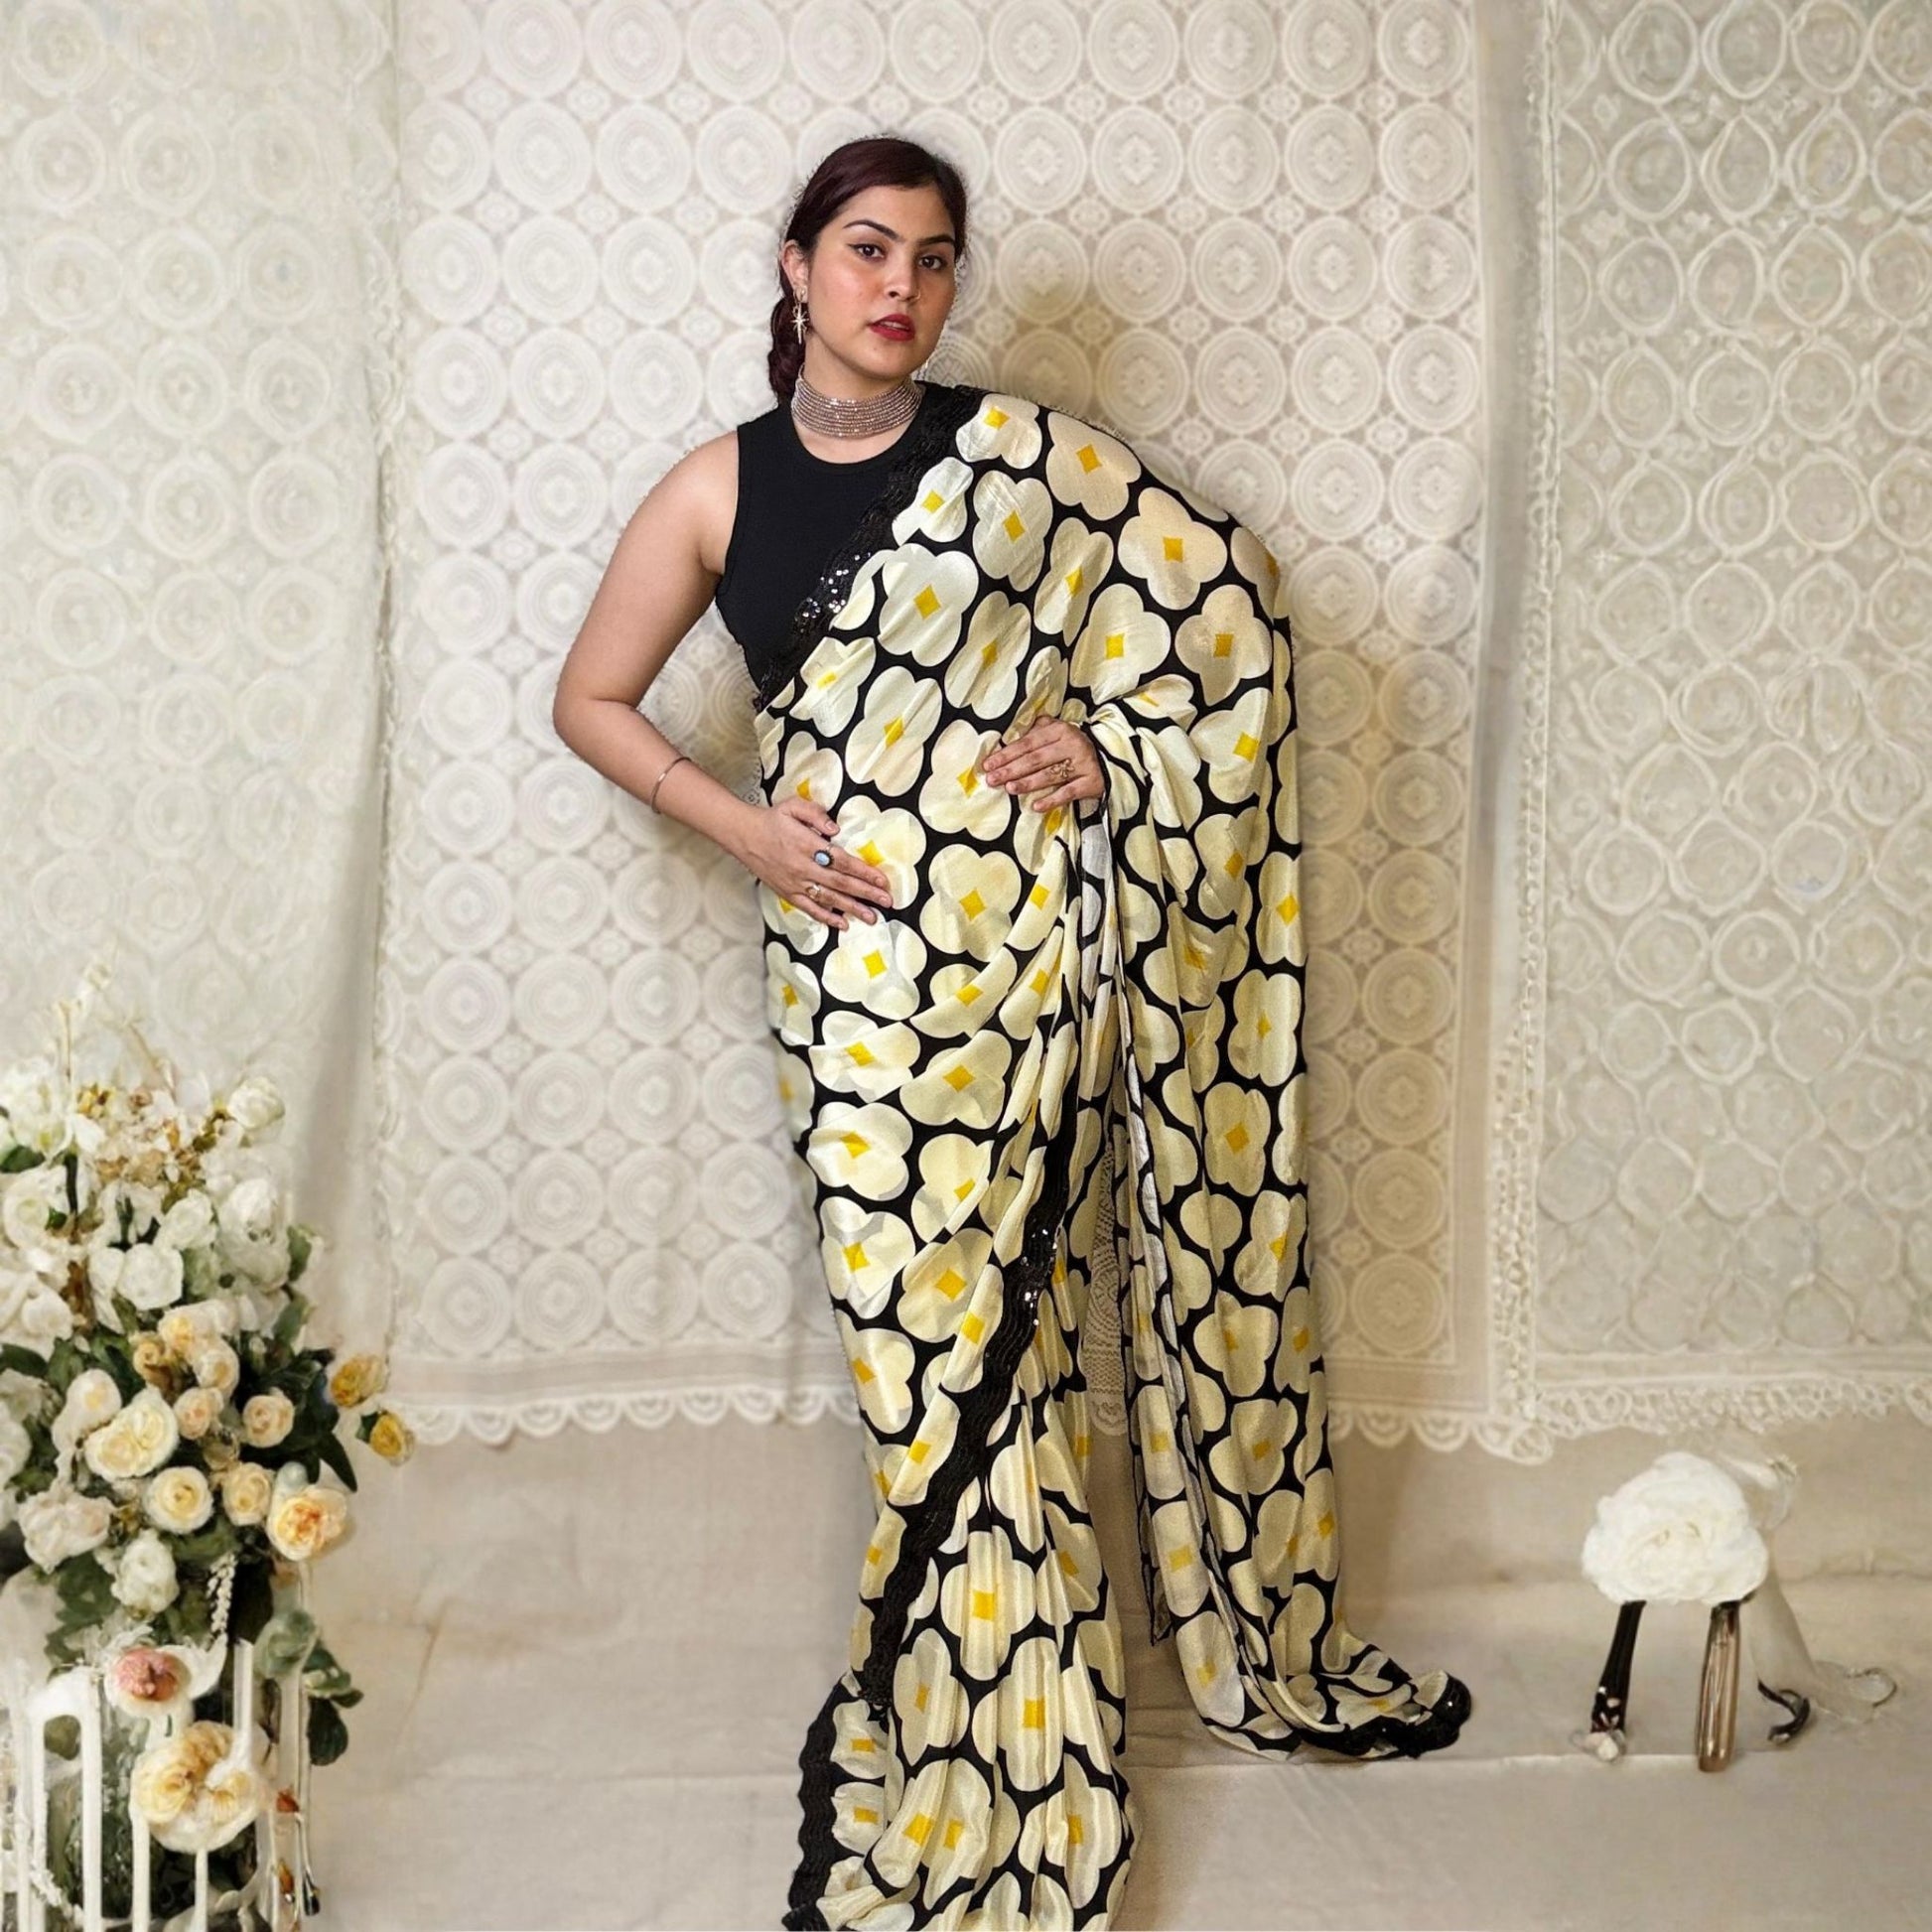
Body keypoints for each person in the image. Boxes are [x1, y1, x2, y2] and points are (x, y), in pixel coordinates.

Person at [553, 134, 1471, 1932]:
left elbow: (1236, 634)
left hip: (1030, 979)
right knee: (928, 1372)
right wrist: (742, 821)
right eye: (869, 248)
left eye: (937, 258)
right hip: (851, 1001)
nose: (902, 286)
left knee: (1013, 1354)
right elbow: (590, 698)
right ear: (801, 265)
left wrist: (1109, 749)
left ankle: (1026, 1742)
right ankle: (982, 1712)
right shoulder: (711, 491)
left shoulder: (1029, 464)